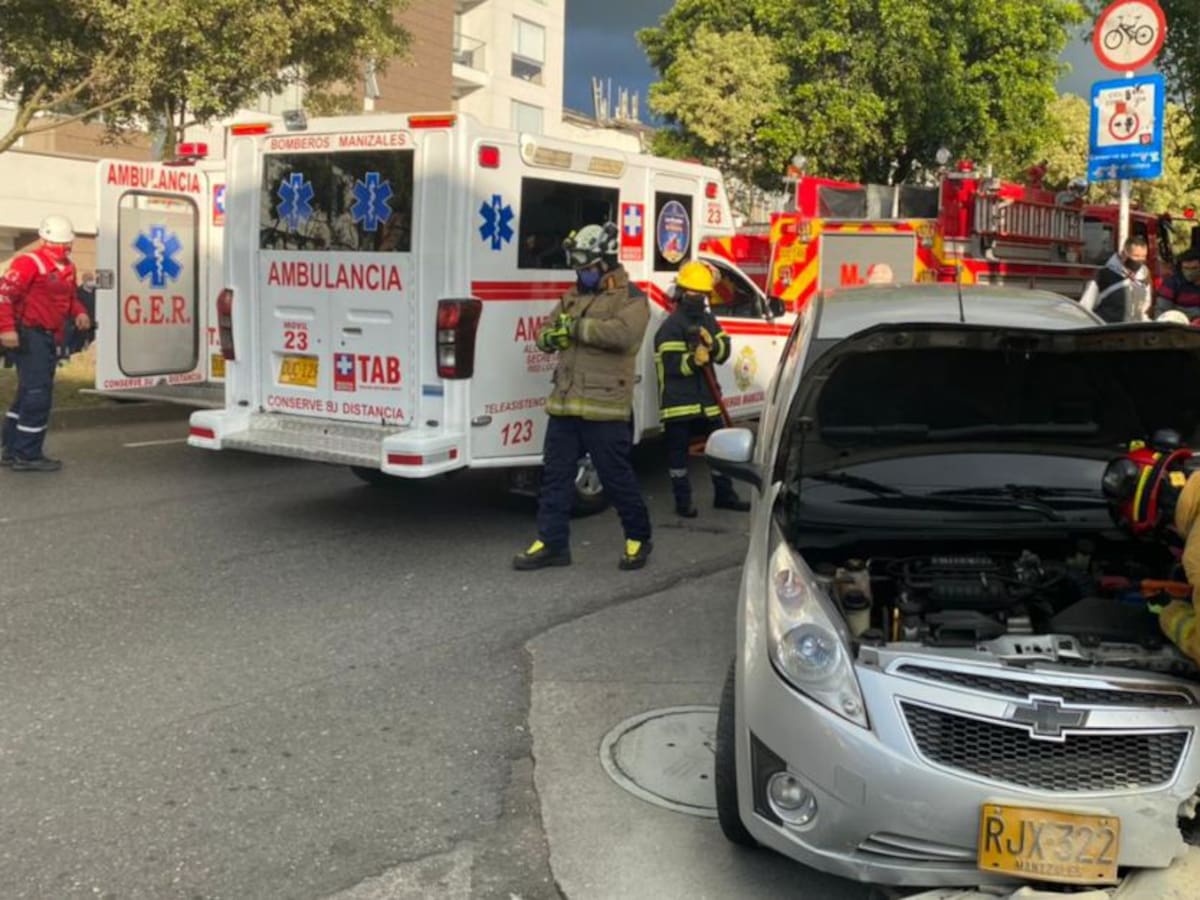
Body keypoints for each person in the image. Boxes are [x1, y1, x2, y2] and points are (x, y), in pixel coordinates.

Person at [513, 222, 654, 571]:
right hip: (565, 402)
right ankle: (552, 542)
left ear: (606, 263)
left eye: (588, 268)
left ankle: (639, 537)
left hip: (604, 406)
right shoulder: (573, 296)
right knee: (555, 477)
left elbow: (623, 335)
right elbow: (547, 328)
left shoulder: (632, 298)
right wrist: (549, 338)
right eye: (579, 268)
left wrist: (574, 329)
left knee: (616, 476)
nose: (583, 274)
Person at [654, 260, 749, 517]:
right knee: (678, 457)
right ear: (683, 292)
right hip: (678, 403)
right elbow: (671, 365)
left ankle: (725, 494)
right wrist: (692, 360)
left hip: (707, 399)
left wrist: (713, 346)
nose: (698, 298)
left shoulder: (708, 320)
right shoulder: (671, 326)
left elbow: (724, 351)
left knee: (720, 448)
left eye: (702, 294)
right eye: (694, 293)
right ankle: (683, 502)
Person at [0, 214, 91, 472]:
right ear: (43, 240)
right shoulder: (28, 263)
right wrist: (6, 329)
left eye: (66, 244)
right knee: (38, 394)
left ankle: (11, 447)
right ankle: (27, 454)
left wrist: (80, 312)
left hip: (49, 335)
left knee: (28, 392)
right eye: (57, 244)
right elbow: (4, 297)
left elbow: (70, 298)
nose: (62, 249)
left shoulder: (67, 268)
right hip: (30, 334)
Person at [1078, 235, 1152, 323]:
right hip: (1108, 332)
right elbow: (1085, 307)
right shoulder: (1104, 275)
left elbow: (1144, 309)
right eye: (1136, 256)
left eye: (1143, 256)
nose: (1140, 260)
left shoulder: (1144, 277)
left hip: (1133, 333)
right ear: (1124, 254)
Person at [1155, 249, 1200, 320]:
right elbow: (1161, 311)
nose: (1189, 272)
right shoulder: (1172, 283)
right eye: (1186, 268)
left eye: (1194, 268)